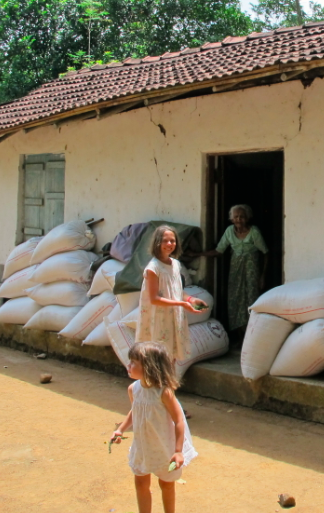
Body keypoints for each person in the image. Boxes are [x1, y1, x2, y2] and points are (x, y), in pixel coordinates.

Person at [111, 341, 197, 513]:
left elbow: (179, 420)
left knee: (166, 483)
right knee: (141, 482)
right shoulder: (133, 389)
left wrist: (178, 450)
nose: (128, 365)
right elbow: (135, 411)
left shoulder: (163, 393)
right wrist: (120, 429)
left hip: (164, 447)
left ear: (148, 367)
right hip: (143, 446)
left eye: (133, 362)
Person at [194, 204, 268, 332]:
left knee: (252, 299)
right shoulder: (229, 231)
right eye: (236, 217)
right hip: (236, 270)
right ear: (232, 219)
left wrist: (263, 276)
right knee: (235, 300)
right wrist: (198, 254)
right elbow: (219, 251)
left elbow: (266, 253)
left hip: (251, 270)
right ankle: (240, 337)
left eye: (242, 217)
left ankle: (252, 334)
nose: (239, 219)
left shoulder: (254, 232)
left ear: (248, 218)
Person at [138, 225, 206, 363]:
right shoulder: (153, 268)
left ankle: (167, 383)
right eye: (165, 241)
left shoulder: (175, 264)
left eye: (173, 241)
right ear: (157, 243)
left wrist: (191, 300)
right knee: (159, 357)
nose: (169, 244)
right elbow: (154, 299)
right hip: (159, 318)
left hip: (173, 317)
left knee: (172, 355)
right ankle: (157, 384)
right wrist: (182, 304)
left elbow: (176, 291)